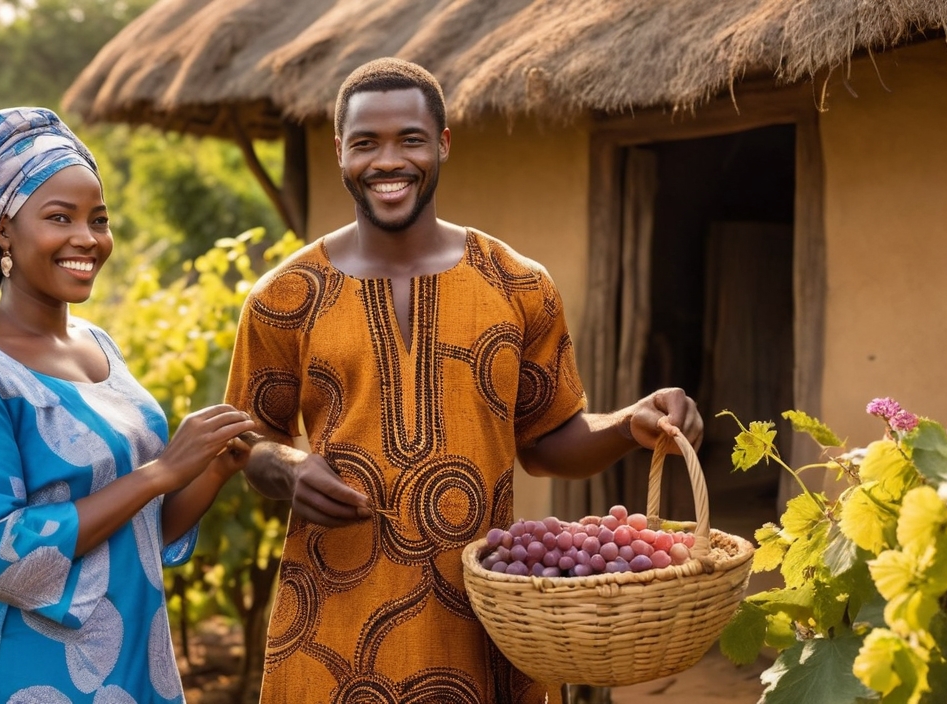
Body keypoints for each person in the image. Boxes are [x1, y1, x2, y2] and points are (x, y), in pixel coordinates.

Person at [224, 59, 704, 703]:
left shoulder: (518, 284)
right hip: (332, 628)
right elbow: (247, 438)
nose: (388, 161)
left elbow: (547, 443)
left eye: (410, 140)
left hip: (487, 623)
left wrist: (628, 426)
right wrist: (285, 466)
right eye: (365, 143)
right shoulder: (284, 296)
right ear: (339, 151)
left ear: (443, 143)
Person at [0, 106, 257, 703]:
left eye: (98, 219)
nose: (88, 238)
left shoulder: (98, 344)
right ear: (4, 231)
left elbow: (137, 529)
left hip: (130, 645)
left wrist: (211, 470)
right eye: (60, 217)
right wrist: (161, 471)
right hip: (26, 664)